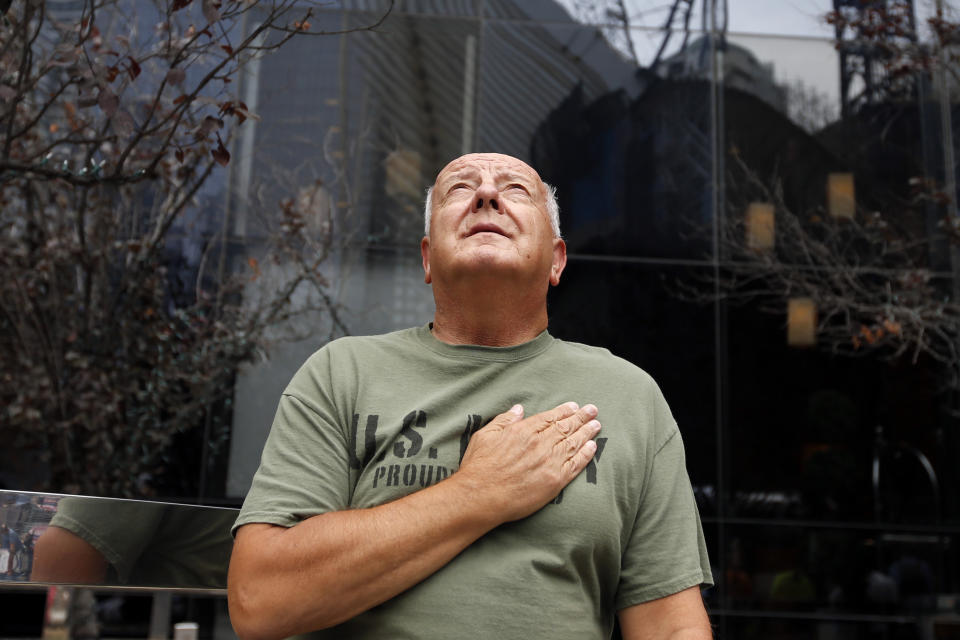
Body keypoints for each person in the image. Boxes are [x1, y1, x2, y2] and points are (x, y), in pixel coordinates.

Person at [228, 153, 713, 640]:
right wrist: (478, 492)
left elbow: (672, 629)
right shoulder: (341, 374)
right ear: (426, 257)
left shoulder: (630, 396)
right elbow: (259, 600)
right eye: (459, 189)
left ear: (557, 259)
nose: (485, 195)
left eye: (516, 190)